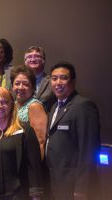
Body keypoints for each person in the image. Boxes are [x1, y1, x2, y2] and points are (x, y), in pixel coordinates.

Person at [45, 61, 101, 200]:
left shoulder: (83, 105)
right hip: (56, 182)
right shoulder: (53, 108)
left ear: (73, 81)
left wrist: (82, 189)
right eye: (54, 78)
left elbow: (89, 150)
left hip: (74, 186)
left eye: (63, 78)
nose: (58, 82)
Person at [0, 87, 43, 200]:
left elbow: (34, 166)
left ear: (12, 105)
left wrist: (36, 196)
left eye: (4, 102)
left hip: (18, 195)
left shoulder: (25, 131)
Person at [10, 65, 48, 159]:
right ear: (12, 86)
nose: (21, 87)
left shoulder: (34, 106)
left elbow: (41, 141)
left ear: (33, 87)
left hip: (28, 159)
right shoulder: (12, 105)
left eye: (26, 84)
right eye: (17, 83)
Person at [24, 46, 56, 112]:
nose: (33, 59)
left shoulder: (52, 80)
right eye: (29, 57)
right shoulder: (18, 82)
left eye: (36, 56)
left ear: (43, 60)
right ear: (25, 62)